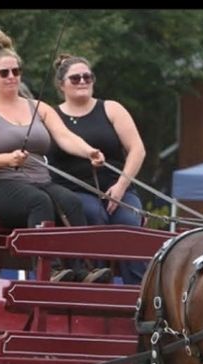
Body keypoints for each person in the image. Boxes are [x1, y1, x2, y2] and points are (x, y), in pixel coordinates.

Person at [0, 30, 107, 281]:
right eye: (4, 73)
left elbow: (65, 137)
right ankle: (47, 269)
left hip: (38, 181)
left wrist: (89, 151)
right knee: (39, 202)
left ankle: (83, 269)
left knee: (71, 202)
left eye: (16, 71)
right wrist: (6, 159)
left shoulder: (38, 108)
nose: (11, 77)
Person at [48, 53, 147, 284]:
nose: (83, 81)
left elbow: (137, 150)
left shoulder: (111, 108)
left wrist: (122, 186)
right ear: (61, 85)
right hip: (73, 189)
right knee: (94, 215)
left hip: (116, 187)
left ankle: (138, 293)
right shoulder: (51, 115)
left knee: (128, 223)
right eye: (75, 78)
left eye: (87, 76)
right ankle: (97, 282)